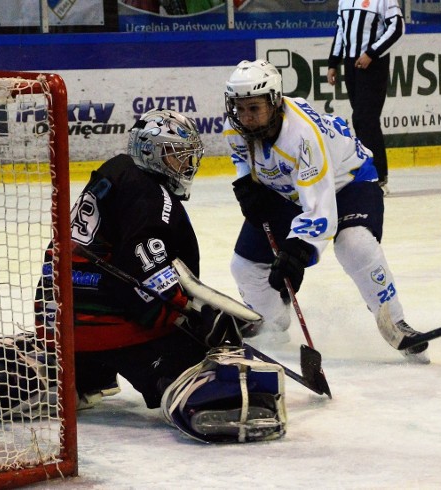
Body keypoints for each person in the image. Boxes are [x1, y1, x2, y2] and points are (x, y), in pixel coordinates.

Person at [30, 109, 287, 443]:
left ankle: (77, 375)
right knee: (201, 358)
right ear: (151, 152)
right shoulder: (151, 193)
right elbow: (142, 271)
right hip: (107, 324)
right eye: (176, 155)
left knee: (109, 343)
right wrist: (192, 322)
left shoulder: (117, 172)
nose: (186, 165)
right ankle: (176, 382)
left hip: (59, 321)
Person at [222, 59, 428, 364]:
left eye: (254, 109)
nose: (246, 117)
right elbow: (242, 156)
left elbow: (319, 208)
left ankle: (395, 322)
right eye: (240, 108)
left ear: (274, 101)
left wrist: (298, 250)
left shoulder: (302, 137)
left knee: (353, 244)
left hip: (348, 183)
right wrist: (246, 184)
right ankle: (272, 322)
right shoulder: (235, 126)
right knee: (244, 266)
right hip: (288, 188)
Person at [327, 0, 404, 195]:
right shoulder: (344, 1)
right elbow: (340, 31)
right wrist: (333, 62)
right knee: (359, 119)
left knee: (366, 118)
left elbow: (397, 28)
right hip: (351, 63)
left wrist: (372, 53)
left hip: (373, 64)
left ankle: (377, 176)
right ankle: (370, 173)